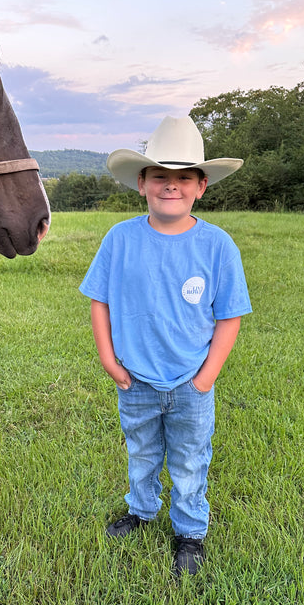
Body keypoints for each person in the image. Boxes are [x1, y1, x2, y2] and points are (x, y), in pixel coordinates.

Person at [79, 116, 252, 576]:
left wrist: (206, 376)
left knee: (191, 458)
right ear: (142, 183)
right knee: (141, 451)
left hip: (190, 381)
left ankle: (191, 532)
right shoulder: (120, 239)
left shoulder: (217, 246)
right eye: (160, 176)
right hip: (134, 377)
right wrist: (108, 360)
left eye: (182, 178)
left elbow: (229, 315)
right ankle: (141, 509)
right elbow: (100, 300)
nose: (170, 186)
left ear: (201, 187)